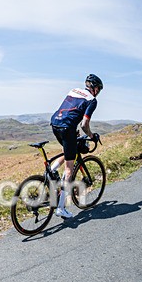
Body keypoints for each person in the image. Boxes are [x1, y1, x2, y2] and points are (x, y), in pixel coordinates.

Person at [49, 74, 103, 219]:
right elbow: (84, 124)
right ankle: (60, 208)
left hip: (55, 123)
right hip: (67, 128)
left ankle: (51, 171)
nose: (98, 92)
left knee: (67, 152)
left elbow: (69, 110)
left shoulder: (73, 90)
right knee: (69, 168)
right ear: (95, 88)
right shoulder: (92, 100)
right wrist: (92, 136)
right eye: (99, 89)